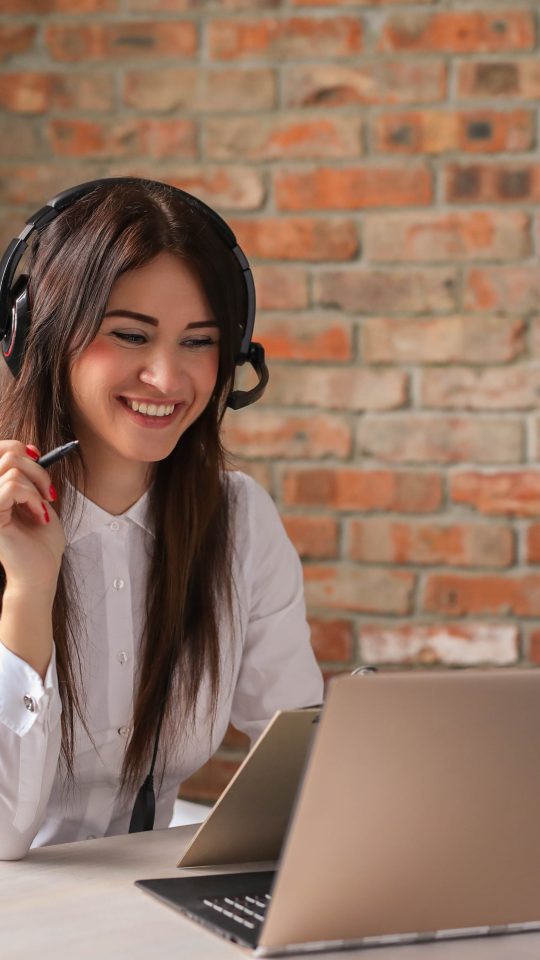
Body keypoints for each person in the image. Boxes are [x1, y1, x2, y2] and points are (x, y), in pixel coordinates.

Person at [0, 177, 323, 860]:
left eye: (198, 342)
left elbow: (307, 768)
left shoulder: (237, 521)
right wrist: (28, 594)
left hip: (143, 908)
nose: (168, 378)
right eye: (130, 335)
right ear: (37, 333)